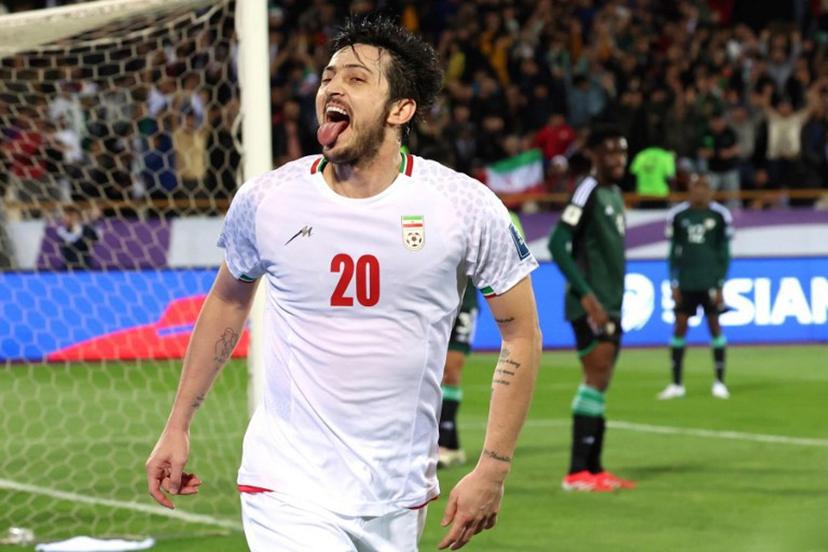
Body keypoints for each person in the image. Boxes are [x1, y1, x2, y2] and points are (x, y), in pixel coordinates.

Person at [146, 17, 541, 552]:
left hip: (398, 494)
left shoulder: (463, 207)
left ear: (401, 110)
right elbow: (227, 301)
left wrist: (493, 469)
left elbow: (521, 335)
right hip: (286, 486)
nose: (332, 87)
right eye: (329, 76)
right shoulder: (268, 200)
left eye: (356, 79)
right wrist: (178, 424)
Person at [547, 126, 635, 493]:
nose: (618, 159)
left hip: (611, 302)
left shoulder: (614, 193)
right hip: (592, 304)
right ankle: (576, 472)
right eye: (611, 152)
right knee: (595, 378)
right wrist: (587, 297)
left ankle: (595, 469)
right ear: (596, 155)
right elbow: (557, 244)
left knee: (601, 382)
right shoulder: (588, 189)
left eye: (622, 152)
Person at [438, 212, 526, 470]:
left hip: (464, 302)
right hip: (435, 301)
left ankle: (445, 442)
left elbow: (513, 249)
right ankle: (449, 444)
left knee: (451, 369)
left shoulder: (492, 213)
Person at [658, 174, 733, 400]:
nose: (700, 191)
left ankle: (719, 382)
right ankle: (676, 384)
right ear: (689, 189)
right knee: (679, 327)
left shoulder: (720, 215)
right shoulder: (678, 215)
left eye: (704, 187)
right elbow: (672, 253)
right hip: (686, 281)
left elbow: (724, 253)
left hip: (710, 281)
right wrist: (673, 282)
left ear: (710, 190)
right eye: (696, 187)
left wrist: (720, 283)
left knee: (715, 326)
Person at [56, 204, 100, 271]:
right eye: (65, 215)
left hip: (84, 268)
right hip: (67, 267)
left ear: (76, 217)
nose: (65, 217)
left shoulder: (86, 229)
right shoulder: (61, 231)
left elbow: (95, 240)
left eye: (69, 215)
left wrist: (93, 221)